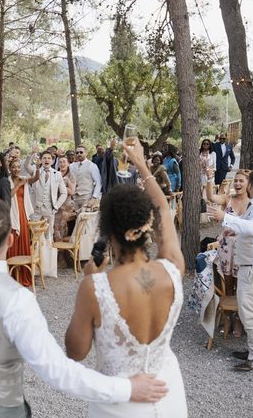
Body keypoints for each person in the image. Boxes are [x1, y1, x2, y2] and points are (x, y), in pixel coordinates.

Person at [0, 147, 169, 417]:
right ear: (10, 241)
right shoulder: (17, 300)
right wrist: (127, 389)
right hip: (0, 410)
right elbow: (57, 370)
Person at [65, 137, 187, 417]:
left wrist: (88, 280)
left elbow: (75, 351)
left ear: (108, 232)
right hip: (167, 394)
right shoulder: (172, 266)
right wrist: (141, 165)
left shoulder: (95, 288)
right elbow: (164, 209)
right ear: (147, 226)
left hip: (120, 404)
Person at [207, 170, 253, 371]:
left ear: (250, 186)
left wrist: (225, 218)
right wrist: (234, 229)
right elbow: (248, 227)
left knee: (249, 313)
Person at [205, 168, 251, 337]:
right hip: (226, 249)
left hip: (243, 250)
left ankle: (240, 320)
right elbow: (211, 197)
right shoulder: (228, 199)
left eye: (242, 181)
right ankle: (228, 318)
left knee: (242, 287)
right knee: (229, 285)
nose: (238, 184)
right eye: (236, 181)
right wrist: (210, 178)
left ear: (248, 184)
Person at [7, 157, 40, 287]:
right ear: (10, 168)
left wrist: (37, 167)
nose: (16, 169)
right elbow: (9, 195)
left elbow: (35, 178)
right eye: (13, 167)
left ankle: (23, 275)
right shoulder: (7, 180)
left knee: (24, 243)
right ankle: (12, 276)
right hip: (12, 214)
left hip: (23, 214)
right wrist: (19, 184)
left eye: (18, 166)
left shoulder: (24, 178)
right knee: (13, 243)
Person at [31, 150, 67, 241]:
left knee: (49, 236)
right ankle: (36, 255)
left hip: (50, 210)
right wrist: (32, 154)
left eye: (49, 158)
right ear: (41, 160)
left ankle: (48, 255)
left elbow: (64, 193)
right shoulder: (35, 172)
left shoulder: (57, 174)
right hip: (36, 209)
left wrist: (56, 207)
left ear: (52, 161)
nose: (46, 160)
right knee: (35, 236)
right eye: (44, 158)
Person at [70, 145, 101, 211]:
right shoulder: (71, 166)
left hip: (87, 197)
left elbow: (98, 183)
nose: (79, 154)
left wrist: (94, 198)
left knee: (84, 220)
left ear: (86, 153)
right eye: (77, 153)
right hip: (74, 198)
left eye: (81, 152)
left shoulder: (92, 166)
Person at [54, 155, 76, 242]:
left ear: (68, 164)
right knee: (55, 227)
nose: (62, 164)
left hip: (66, 206)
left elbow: (72, 192)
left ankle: (62, 248)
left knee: (62, 226)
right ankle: (56, 248)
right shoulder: (55, 174)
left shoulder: (71, 176)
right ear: (58, 164)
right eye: (60, 162)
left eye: (64, 162)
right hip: (56, 204)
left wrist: (62, 185)